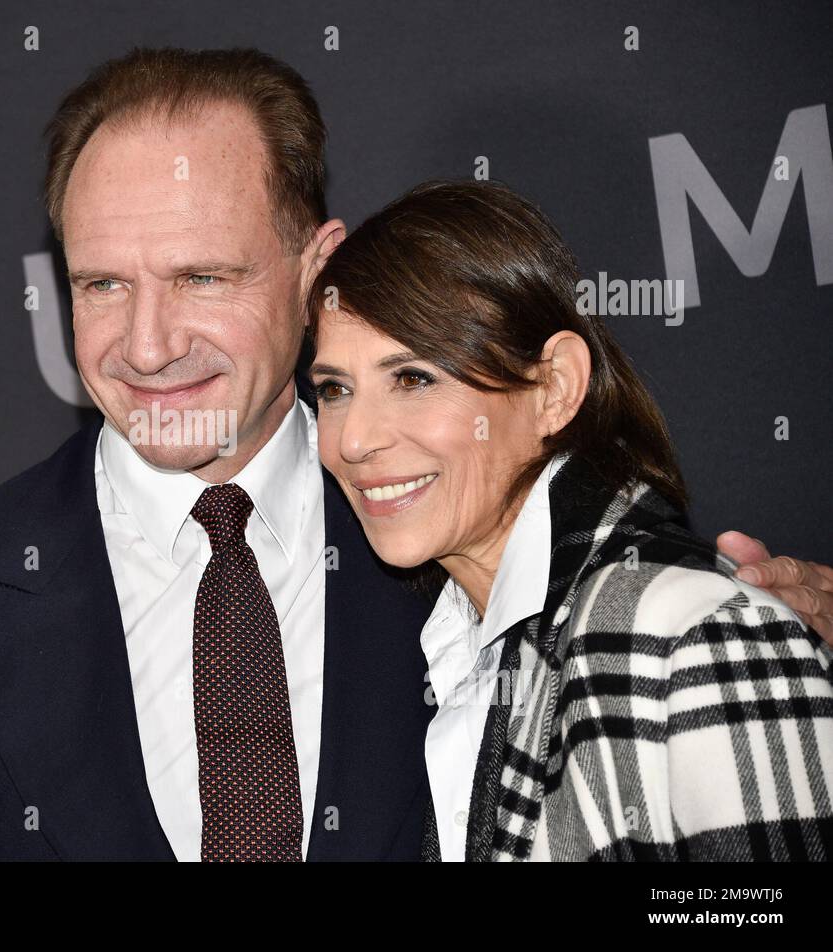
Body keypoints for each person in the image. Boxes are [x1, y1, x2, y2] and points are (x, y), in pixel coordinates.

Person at [0, 48, 833, 861]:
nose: (148, 343)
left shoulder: (458, 529)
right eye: (101, 285)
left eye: (202, 275)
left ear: (317, 270)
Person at [308, 179, 833, 860]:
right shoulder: (465, 643)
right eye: (334, 389)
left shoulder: (686, 633)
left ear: (554, 387)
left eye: (413, 379)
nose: (353, 439)